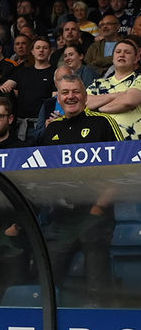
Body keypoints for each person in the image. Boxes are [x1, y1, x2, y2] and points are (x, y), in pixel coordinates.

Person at [40, 74, 120, 305]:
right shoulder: (51, 129)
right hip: (61, 218)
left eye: (76, 92)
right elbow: (42, 175)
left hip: (95, 215)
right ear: (59, 99)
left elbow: (121, 170)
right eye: (65, 92)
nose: (70, 96)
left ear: (85, 97)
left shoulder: (103, 123)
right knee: (48, 278)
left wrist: (98, 208)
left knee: (97, 284)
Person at [86, 39, 141, 139]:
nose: (122, 55)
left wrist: (98, 108)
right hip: (104, 143)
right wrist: (118, 95)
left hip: (133, 142)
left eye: (127, 52)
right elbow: (85, 102)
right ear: (113, 58)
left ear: (136, 59)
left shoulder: (138, 79)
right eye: (118, 52)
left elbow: (129, 101)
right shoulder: (98, 83)